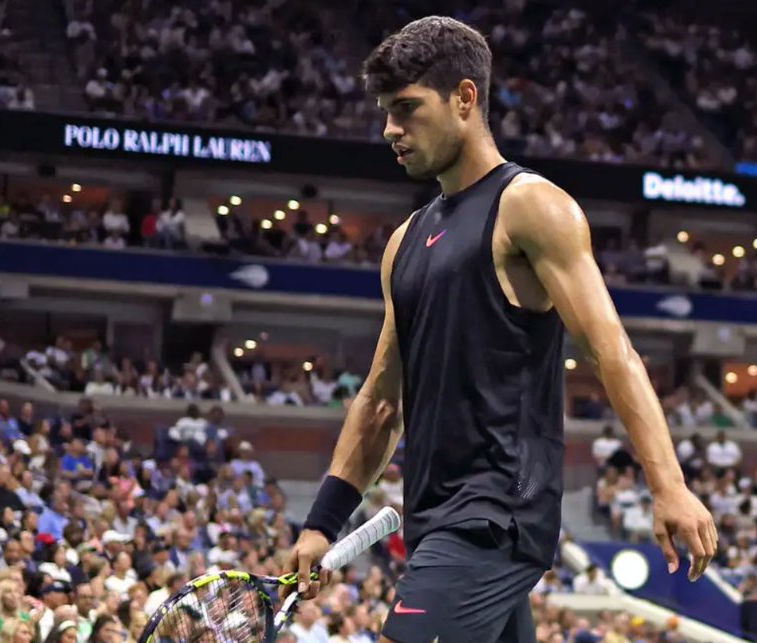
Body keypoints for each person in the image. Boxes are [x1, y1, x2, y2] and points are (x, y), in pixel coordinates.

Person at [283, 16, 716, 643]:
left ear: (465, 98)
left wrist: (668, 486)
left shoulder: (532, 207)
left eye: (407, 109)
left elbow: (610, 350)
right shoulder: (404, 243)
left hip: (494, 515)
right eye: (385, 112)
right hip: (433, 519)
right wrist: (322, 523)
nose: (390, 130)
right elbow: (381, 402)